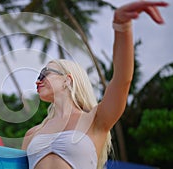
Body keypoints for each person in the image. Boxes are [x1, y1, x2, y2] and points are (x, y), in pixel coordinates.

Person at [21, 1, 168, 169]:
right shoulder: (31, 134)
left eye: (44, 73)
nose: (37, 81)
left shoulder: (95, 120)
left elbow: (122, 79)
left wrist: (122, 27)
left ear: (67, 80)